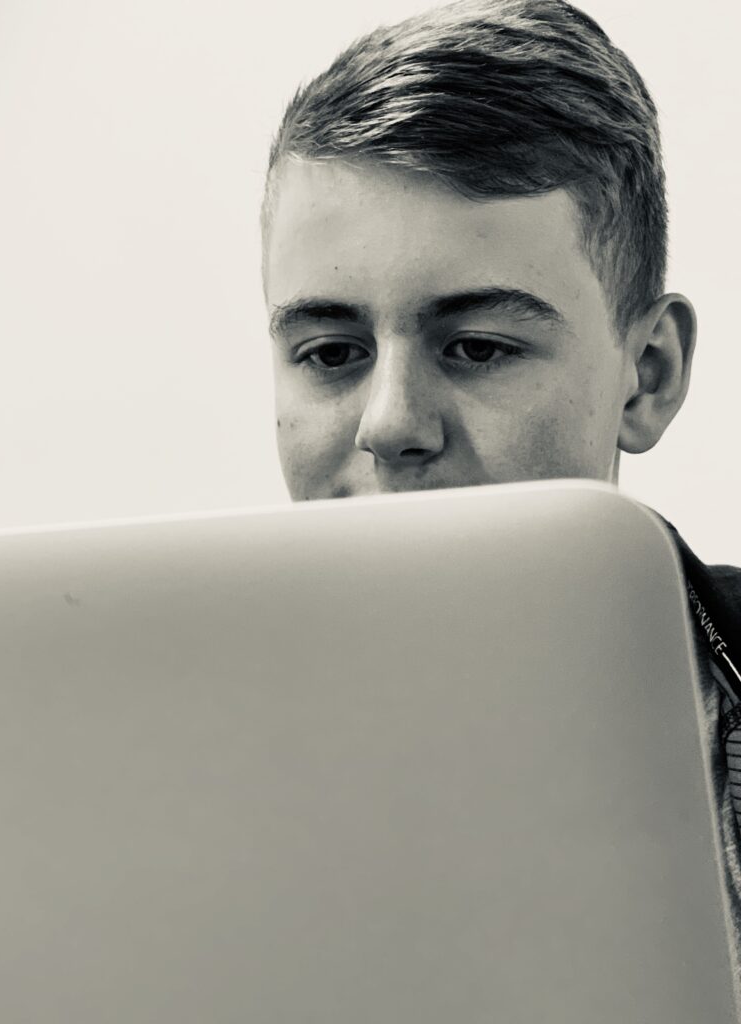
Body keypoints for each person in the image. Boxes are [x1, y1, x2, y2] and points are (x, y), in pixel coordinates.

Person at [261, 0, 741, 988]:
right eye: (333, 353)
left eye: (477, 347)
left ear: (646, 376)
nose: (390, 423)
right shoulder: (138, 744)